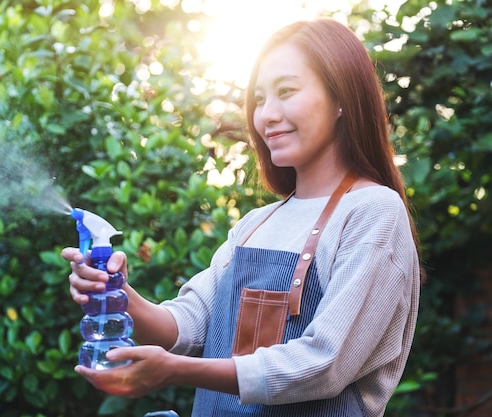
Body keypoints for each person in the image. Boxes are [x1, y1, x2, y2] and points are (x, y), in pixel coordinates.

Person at [62, 18, 421, 417]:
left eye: (286, 92)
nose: (266, 115)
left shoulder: (372, 212)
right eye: (259, 99)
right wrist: (116, 293)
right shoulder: (254, 225)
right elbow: (187, 326)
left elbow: (324, 363)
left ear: (341, 98)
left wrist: (178, 371)